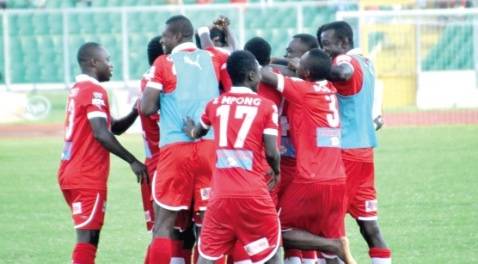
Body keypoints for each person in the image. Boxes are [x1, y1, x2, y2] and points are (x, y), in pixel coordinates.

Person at [140, 15, 228, 263]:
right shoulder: (214, 57)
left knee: (164, 225)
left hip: (175, 149)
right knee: (209, 227)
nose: (162, 40)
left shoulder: (164, 62)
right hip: (209, 148)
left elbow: (147, 108)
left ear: (177, 36)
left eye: (165, 35)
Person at [182, 50, 281, 264]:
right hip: (254, 194)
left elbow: (198, 132)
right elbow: (272, 152)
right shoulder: (266, 106)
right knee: (272, 252)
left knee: (207, 257)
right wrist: (277, 170)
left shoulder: (215, 104)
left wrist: (190, 131)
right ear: (252, 76)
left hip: (220, 197)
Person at [260, 48, 355, 264]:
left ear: (307, 72)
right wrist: (291, 63)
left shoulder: (302, 89)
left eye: (300, 63)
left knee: (276, 231)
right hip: (338, 180)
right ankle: (334, 246)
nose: (296, 65)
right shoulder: (330, 88)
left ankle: (334, 245)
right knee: (332, 245)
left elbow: (260, 72)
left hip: (312, 179)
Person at [57, 42, 148, 264]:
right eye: (107, 60)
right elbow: (100, 133)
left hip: (71, 171)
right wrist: (132, 160)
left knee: (87, 237)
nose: (111, 64)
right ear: (93, 62)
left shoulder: (79, 89)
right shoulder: (93, 90)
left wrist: (136, 110)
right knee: (88, 240)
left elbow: (113, 127)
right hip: (86, 174)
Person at [319, 21, 392, 264]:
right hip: (364, 153)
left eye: (327, 44)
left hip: (345, 153)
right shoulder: (366, 62)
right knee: (369, 226)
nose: (325, 49)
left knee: (327, 226)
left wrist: (312, 68)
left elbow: (342, 73)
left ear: (344, 42)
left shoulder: (346, 62)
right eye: (321, 45)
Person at [137, 35, 163, 233]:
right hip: (162, 165)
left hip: (155, 161)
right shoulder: (155, 83)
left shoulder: (148, 82)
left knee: (178, 234)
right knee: (166, 231)